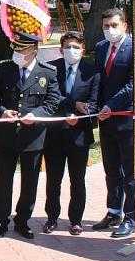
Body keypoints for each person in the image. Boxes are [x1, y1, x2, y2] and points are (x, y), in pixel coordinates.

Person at [0, 32, 60, 240]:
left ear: (34, 51)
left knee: (30, 182)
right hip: (6, 135)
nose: (18, 53)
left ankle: (23, 220)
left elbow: (52, 102)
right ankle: (1, 221)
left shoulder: (47, 72)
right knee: (3, 180)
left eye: (22, 50)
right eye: (16, 50)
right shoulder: (5, 69)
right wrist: (2, 111)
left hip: (33, 137)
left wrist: (35, 115)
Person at [42, 31, 99, 236]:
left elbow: (94, 102)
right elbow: (52, 97)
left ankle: (76, 220)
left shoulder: (91, 71)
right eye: (68, 47)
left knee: (78, 179)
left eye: (76, 47)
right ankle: (51, 218)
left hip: (79, 135)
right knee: (53, 179)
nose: (71, 51)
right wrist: (72, 107)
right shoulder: (51, 69)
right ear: (61, 49)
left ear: (83, 50)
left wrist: (85, 114)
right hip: (55, 134)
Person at [93, 8, 135, 238]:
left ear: (125, 26)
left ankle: (132, 217)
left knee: (129, 170)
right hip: (105, 119)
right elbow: (98, 81)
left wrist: (111, 105)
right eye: (106, 26)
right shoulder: (101, 48)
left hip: (126, 118)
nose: (109, 30)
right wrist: (95, 106)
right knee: (111, 168)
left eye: (114, 25)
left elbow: (133, 84)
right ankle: (113, 212)